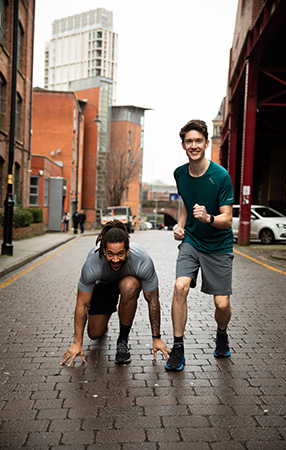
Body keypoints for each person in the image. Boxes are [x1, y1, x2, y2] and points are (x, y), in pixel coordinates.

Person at [165, 119, 234, 371]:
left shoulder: (221, 176)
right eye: (189, 141)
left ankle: (222, 333)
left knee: (222, 304)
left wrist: (209, 218)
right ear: (183, 145)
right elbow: (186, 202)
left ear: (206, 143)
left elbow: (227, 220)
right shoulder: (179, 174)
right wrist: (180, 224)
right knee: (180, 287)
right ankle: (178, 347)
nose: (193, 145)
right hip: (192, 240)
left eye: (198, 141)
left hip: (218, 244)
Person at [61, 219, 170, 366]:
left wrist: (156, 337)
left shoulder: (142, 261)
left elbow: (153, 300)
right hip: (104, 284)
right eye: (110, 254)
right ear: (104, 251)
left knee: (128, 286)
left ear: (128, 250)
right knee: (94, 334)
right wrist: (77, 342)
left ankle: (122, 341)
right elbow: (82, 304)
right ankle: (103, 322)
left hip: (127, 281)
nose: (116, 259)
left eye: (120, 254)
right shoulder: (92, 264)